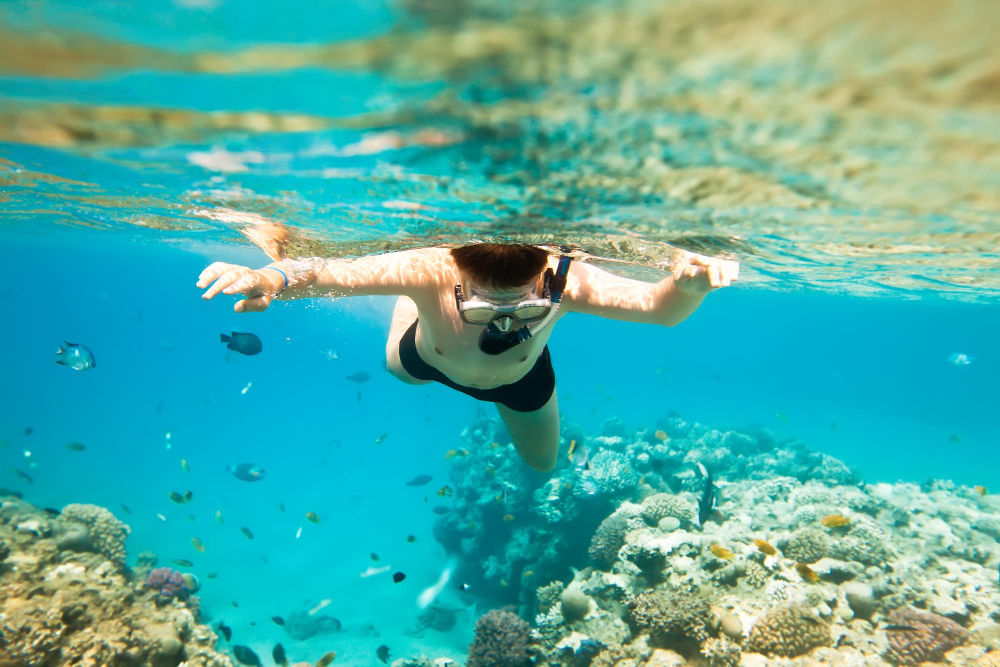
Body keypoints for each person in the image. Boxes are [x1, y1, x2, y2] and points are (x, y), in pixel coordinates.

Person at [196, 242, 738, 472]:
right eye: (480, 303)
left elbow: (657, 309)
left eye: (525, 303)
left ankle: (422, 313)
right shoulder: (430, 266)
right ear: (455, 271)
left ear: (551, 269)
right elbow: (328, 272)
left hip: (518, 381)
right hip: (426, 358)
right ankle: (409, 308)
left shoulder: (572, 278)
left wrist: (688, 286)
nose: (503, 316)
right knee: (396, 369)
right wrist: (272, 276)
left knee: (542, 464)